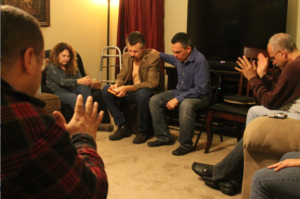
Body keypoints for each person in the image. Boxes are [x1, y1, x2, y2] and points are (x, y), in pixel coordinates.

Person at [1, 5, 108, 198]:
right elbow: (91, 191)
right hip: (62, 93)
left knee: (84, 89)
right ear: (29, 59)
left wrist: (56, 141)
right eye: (41, 60)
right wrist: (82, 138)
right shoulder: (33, 126)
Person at [192, 33, 300, 195]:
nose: (274, 63)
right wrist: (261, 76)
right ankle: (234, 178)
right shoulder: (295, 65)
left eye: (273, 58)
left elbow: (270, 102)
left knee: (256, 112)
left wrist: (252, 78)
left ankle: (221, 172)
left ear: (282, 53)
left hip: (295, 121)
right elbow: (278, 92)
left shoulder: (293, 67)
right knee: (255, 111)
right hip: (290, 113)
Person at [148, 32, 212, 156]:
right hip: (181, 91)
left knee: (186, 105)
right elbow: (169, 58)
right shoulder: (179, 57)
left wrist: (177, 99)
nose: (175, 55)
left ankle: (186, 144)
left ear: (188, 49)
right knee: (154, 100)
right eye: (174, 52)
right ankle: (164, 137)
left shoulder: (200, 61)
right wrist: (158, 54)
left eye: (178, 52)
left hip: (200, 96)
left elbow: (200, 89)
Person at [101, 31, 163, 144]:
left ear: (143, 48)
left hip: (147, 94)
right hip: (132, 92)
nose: (132, 54)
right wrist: (118, 84)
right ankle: (122, 125)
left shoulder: (153, 58)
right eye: (130, 50)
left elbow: (152, 83)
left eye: (135, 51)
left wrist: (127, 88)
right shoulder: (126, 57)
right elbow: (122, 75)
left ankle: (142, 131)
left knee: (142, 93)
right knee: (106, 90)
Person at [46, 42, 92, 111]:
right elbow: (62, 82)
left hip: (71, 89)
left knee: (85, 87)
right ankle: (92, 118)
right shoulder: (52, 66)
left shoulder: (72, 65)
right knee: (74, 98)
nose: (66, 59)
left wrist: (85, 82)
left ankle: (88, 113)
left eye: (68, 56)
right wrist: (80, 81)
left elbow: (80, 79)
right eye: (63, 56)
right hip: (58, 92)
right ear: (57, 55)